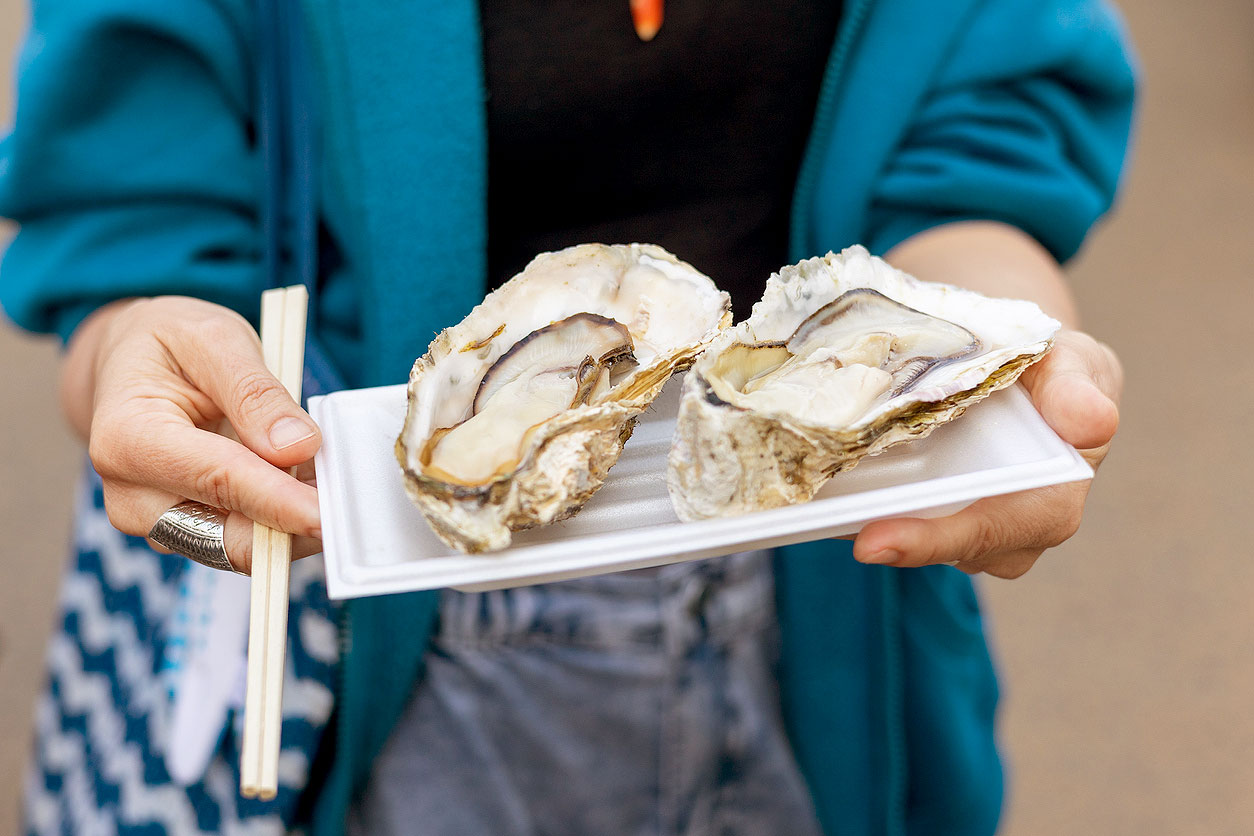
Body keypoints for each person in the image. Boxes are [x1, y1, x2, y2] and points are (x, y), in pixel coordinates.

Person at [0, 0, 1134, 834]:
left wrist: (999, 359)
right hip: (395, 635)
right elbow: (133, 225)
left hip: (835, 576)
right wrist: (135, 367)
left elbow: (977, 153)